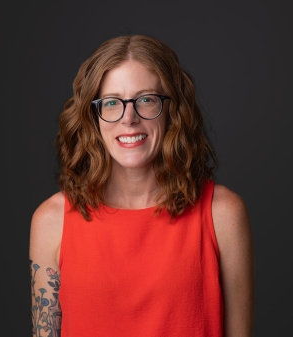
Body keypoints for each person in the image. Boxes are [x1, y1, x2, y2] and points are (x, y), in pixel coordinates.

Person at [29, 34, 254, 337]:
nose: (129, 119)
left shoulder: (223, 214)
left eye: (146, 99)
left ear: (173, 110)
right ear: (93, 116)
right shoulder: (50, 222)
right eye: (111, 103)